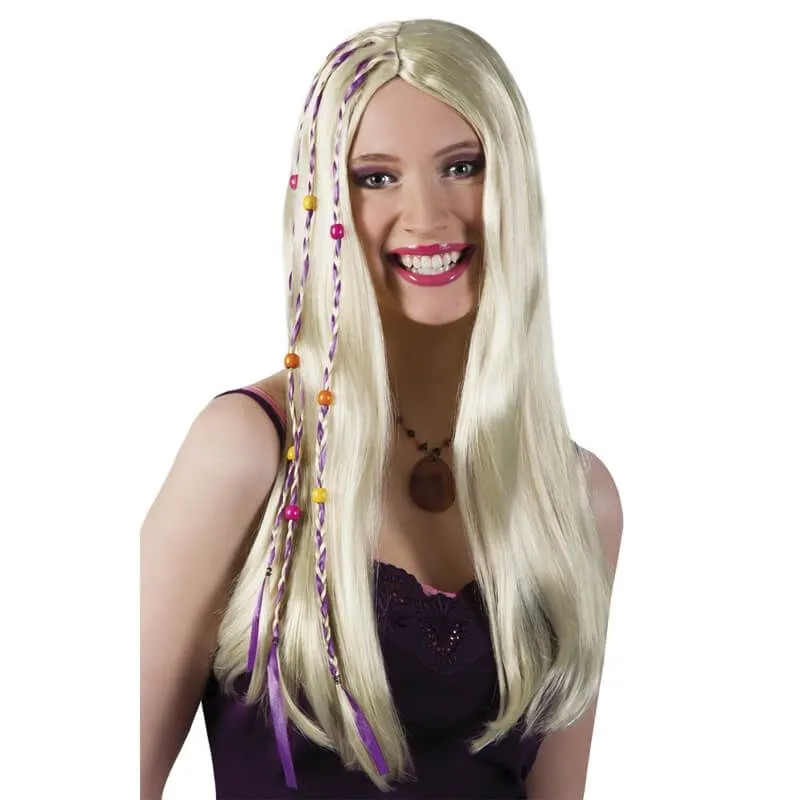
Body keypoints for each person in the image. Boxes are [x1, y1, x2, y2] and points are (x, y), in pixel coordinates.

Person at [140, 18, 623, 800]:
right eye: (375, 177)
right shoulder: (249, 453)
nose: (427, 217)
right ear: (323, 200)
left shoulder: (574, 497)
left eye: (462, 166)